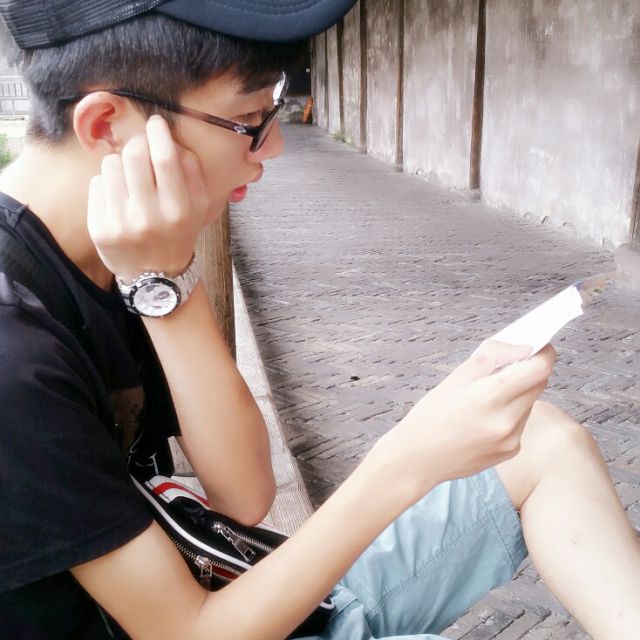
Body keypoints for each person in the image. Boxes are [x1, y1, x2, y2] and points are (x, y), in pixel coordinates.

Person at [0, 2, 638, 639]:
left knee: (538, 437)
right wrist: (411, 457)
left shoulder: (125, 252)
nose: (274, 144)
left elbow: (243, 493)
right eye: (250, 118)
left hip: (246, 585)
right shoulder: (13, 355)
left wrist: (164, 284)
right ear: (108, 124)